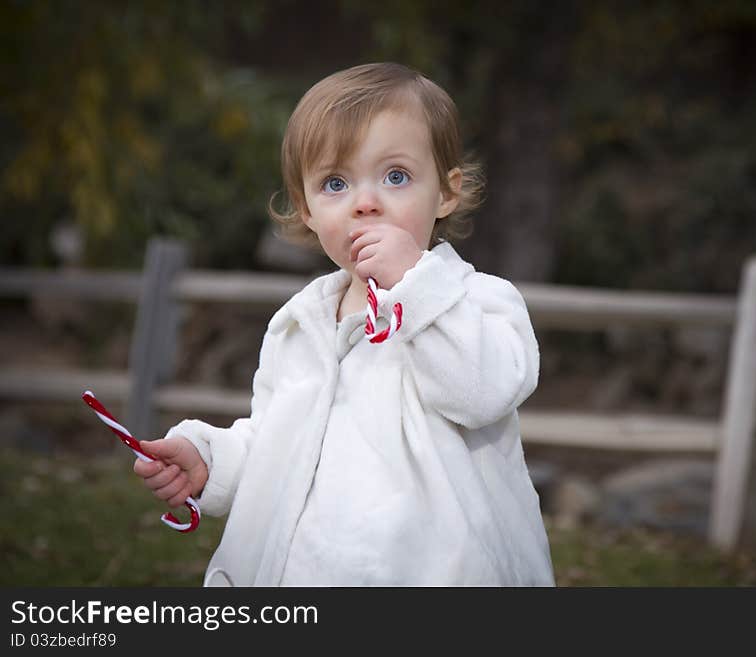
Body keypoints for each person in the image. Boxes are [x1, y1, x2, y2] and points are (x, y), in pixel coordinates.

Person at [133, 62, 555, 586]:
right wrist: (212, 462)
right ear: (307, 208)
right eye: (335, 183)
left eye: (395, 177)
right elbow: (276, 442)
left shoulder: (479, 302)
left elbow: (482, 392)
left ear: (445, 192)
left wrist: (411, 285)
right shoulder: (298, 323)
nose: (365, 202)